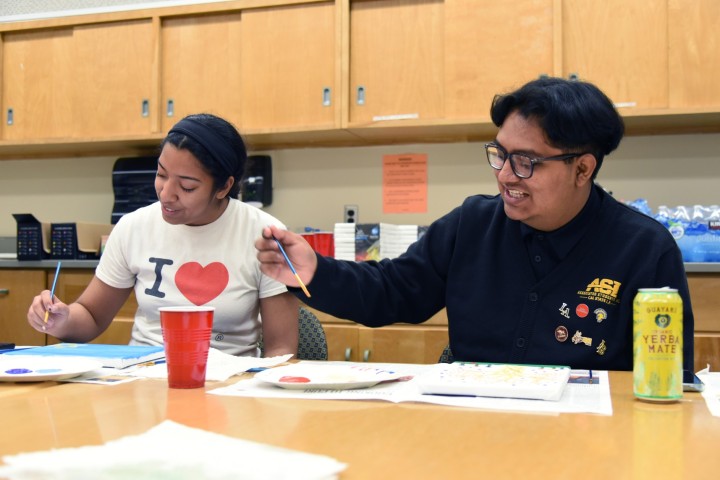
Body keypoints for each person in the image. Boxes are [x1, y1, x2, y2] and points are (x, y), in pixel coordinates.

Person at [256, 77, 695, 372]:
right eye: (499, 155)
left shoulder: (643, 248)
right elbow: (392, 291)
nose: (504, 175)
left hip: (590, 441)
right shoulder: (472, 224)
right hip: (471, 425)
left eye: (525, 162)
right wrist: (314, 269)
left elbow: (669, 375)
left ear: (582, 169)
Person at [28, 113, 298, 357]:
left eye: (187, 186)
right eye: (161, 174)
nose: (166, 194)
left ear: (224, 187)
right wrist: (61, 319)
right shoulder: (134, 227)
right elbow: (91, 316)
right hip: (144, 379)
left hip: (229, 387)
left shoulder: (266, 237)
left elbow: (281, 347)